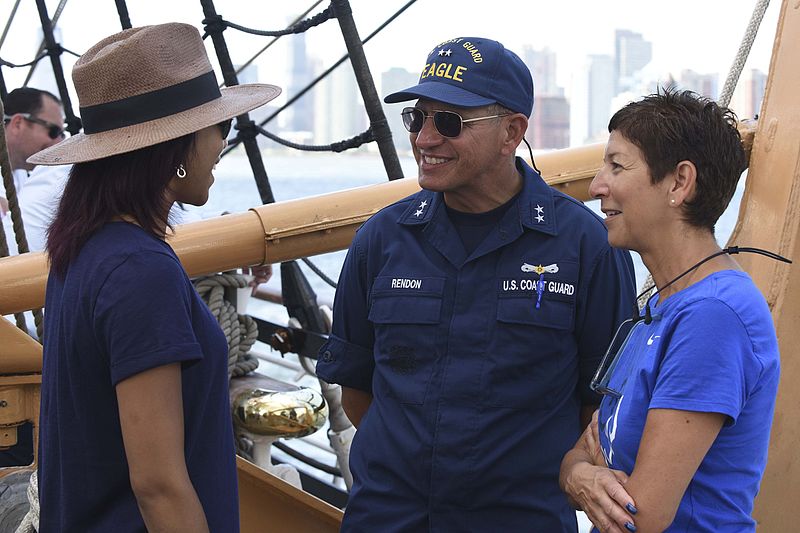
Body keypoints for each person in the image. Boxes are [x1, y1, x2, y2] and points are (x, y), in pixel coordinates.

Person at [316, 36, 636, 531]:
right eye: (416, 119)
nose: (424, 138)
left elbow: (603, 403)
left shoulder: (584, 247)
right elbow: (358, 390)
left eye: (448, 122)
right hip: (389, 519)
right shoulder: (381, 240)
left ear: (512, 132)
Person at [28, 23, 280, 531]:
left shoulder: (83, 250)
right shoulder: (142, 273)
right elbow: (158, 485)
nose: (220, 147)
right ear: (176, 148)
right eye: (220, 129)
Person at [559, 88, 781, 533]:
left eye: (617, 166)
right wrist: (578, 473)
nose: (598, 186)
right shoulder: (664, 306)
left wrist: (580, 473)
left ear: (680, 182)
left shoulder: (712, 316)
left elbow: (640, 514)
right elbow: (582, 454)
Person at [1, 87, 65, 215]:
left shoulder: (22, 176)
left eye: (62, 135)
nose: (58, 142)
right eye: (53, 131)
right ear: (18, 124)